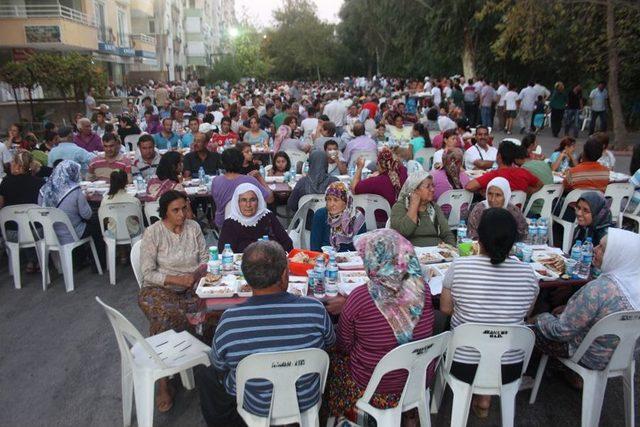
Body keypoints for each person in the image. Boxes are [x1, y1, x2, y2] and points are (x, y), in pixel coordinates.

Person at [196, 240, 335, 426]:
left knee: (205, 373)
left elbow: (220, 364)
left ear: (246, 278)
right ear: (285, 274)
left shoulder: (230, 321)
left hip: (256, 405)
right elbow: (331, 344)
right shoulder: (315, 309)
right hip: (306, 398)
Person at [325, 229, 435, 421]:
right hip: (418, 379)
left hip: (375, 387)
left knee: (333, 360)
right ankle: (410, 415)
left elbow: (344, 346)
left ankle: (351, 416)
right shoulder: (423, 288)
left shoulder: (359, 298)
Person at [439, 207, 539, 418]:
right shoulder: (528, 274)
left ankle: (479, 395)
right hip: (510, 366)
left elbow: (446, 308)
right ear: (513, 241)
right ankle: (485, 397)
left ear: (479, 238)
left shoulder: (459, 266)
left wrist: (471, 311)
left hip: (463, 364)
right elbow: (525, 313)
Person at [532, 229, 640, 373]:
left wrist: (539, 318)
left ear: (617, 256)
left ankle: (534, 372)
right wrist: (569, 308)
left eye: (601, 248)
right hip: (624, 357)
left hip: (588, 355)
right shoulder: (633, 287)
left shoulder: (599, 289)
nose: (594, 249)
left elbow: (560, 332)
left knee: (531, 329)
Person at [138, 190, 208, 413]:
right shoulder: (154, 233)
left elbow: (205, 259)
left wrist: (196, 276)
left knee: (213, 310)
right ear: (165, 213)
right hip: (160, 288)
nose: (182, 215)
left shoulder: (193, 228)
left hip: (192, 286)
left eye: (184, 209)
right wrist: (176, 279)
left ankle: (180, 365)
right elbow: (147, 273)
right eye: (175, 210)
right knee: (165, 316)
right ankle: (164, 382)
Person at [217, 183, 293, 253]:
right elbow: (223, 253)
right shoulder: (230, 223)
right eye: (243, 200)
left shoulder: (268, 216)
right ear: (237, 203)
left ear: (258, 201)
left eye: (252, 200)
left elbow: (287, 243)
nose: (248, 205)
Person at [38, 160, 97, 246]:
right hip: (73, 233)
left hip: (50, 235)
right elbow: (87, 215)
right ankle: (95, 257)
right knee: (97, 227)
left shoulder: (44, 190)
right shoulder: (74, 190)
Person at [211, 148, 274, 229]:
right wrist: (260, 177)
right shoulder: (250, 180)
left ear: (222, 163)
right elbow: (270, 199)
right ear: (242, 161)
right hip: (249, 223)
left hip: (223, 224)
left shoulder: (216, 181)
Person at [390, 171, 456, 247]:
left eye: (433, 186)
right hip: (411, 254)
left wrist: (451, 249)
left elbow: (447, 234)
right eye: (428, 186)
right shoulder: (400, 207)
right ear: (414, 190)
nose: (432, 189)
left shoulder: (434, 208)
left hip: (437, 253)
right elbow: (404, 232)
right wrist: (414, 205)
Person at [466, 140, 543, 194]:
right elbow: (540, 184)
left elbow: (469, 187)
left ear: (498, 156)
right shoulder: (524, 172)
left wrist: (486, 191)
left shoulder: (494, 175)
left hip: (497, 211)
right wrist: (525, 192)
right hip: (517, 211)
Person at [352, 148, 408, 221]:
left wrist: (359, 167)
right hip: (400, 218)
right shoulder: (403, 172)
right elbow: (399, 167)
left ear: (379, 164)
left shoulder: (375, 182)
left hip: (378, 223)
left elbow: (354, 188)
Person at [310, 181, 366, 252]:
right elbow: (314, 249)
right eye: (328, 199)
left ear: (346, 202)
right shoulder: (321, 215)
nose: (331, 204)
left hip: (352, 261)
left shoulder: (357, 219)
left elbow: (362, 250)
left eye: (336, 200)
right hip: (325, 260)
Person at [100, 170, 142, 262]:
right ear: (126, 182)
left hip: (112, 233)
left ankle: (123, 256)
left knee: (115, 223)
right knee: (133, 225)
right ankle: (136, 257)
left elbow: (105, 220)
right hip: (133, 232)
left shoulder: (105, 200)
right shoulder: (133, 200)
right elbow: (139, 219)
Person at [432, 148, 471, 214]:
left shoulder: (433, 177)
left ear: (443, 161)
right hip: (462, 216)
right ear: (461, 162)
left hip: (441, 217)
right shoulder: (466, 177)